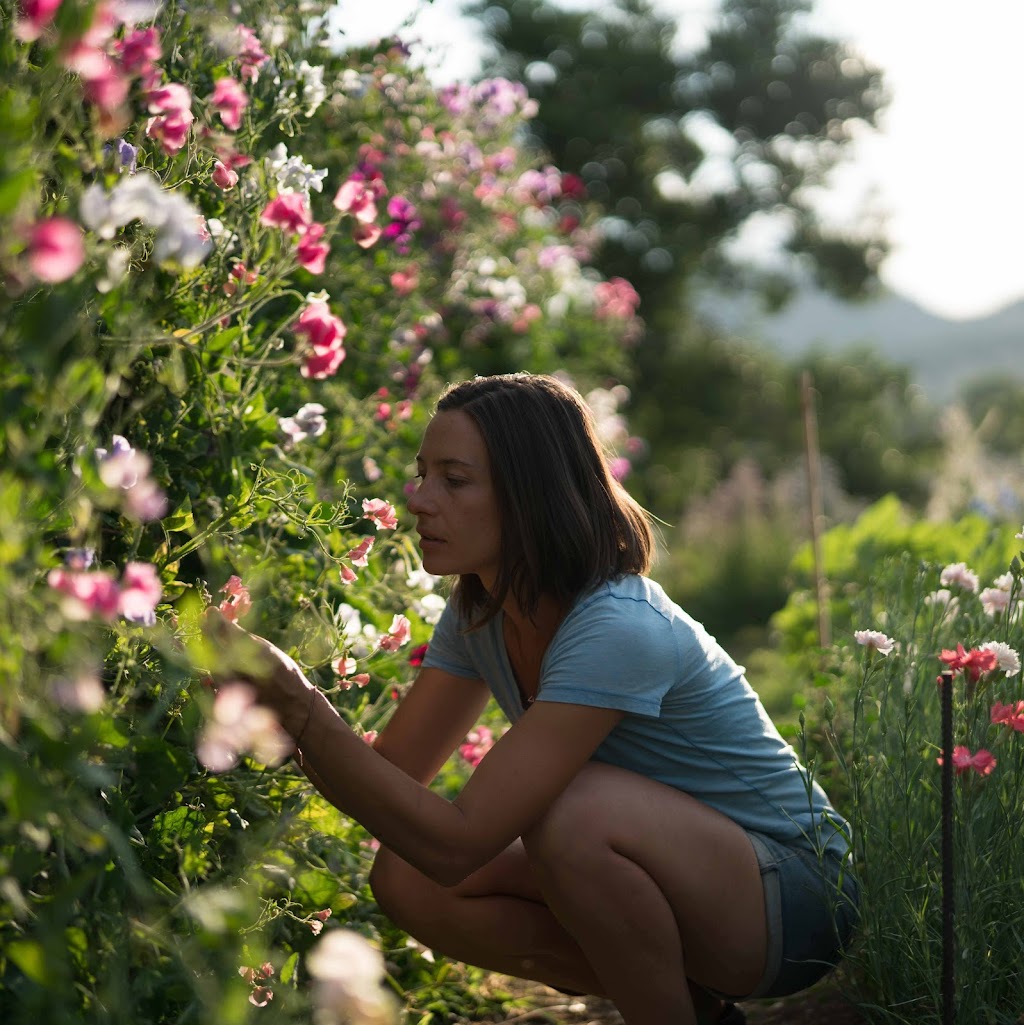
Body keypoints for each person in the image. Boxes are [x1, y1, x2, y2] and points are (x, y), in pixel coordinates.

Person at [207, 372, 858, 1025]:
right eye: (422, 473)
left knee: (568, 812)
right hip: (689, 880)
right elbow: (394, 783)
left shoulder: (618, 626)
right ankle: (692, 1011)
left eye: (454, 480)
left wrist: (304, 706)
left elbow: (458, 843)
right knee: (406, 877)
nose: (419, 498)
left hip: (797, 897)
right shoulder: (479, 611)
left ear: (529, 494)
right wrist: (277, 711)